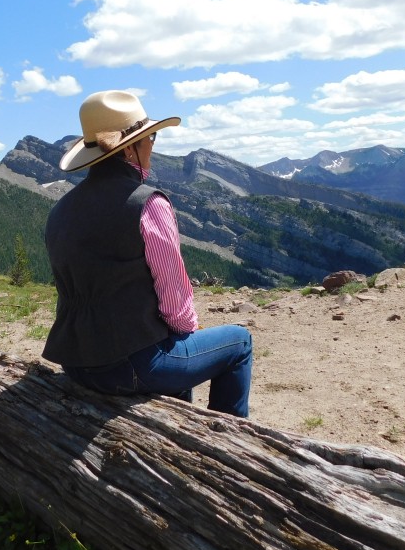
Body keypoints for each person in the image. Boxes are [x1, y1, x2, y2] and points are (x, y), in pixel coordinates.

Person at [43, 90, 252, 417]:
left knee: (174, 344)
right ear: (129, 148)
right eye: (150, 137)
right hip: (130, 365)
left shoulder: (60, 210)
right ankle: (231, 438)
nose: (153, 145)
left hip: (76, 362)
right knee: (239, 342)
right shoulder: (147, 204)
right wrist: (181, 339)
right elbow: (177, 305)